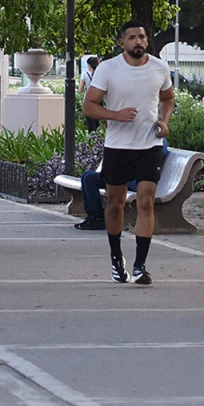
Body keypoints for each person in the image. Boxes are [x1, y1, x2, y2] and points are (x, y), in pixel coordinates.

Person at [81, 21, 175, 285]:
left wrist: (165, 120)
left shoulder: (159, 67)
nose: (138, 41)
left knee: (146, 202)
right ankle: (116, 258)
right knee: (115, 205)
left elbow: (168, 97)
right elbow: (89, 106)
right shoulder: (109, 69)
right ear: (122, 42)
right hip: (118, 147)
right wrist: (115, 116)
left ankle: (140, 266)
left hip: (150, 146)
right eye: (132, 37)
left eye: (142, 37)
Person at [73, 139, 169, 231]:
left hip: (136, 180)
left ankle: (97, 218)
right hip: (123, 174)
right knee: (87, 176)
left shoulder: (158, 141)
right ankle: (93, 216)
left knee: (90, 179)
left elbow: (153, 159)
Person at [81, 56, 101, 133]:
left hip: (88, 100)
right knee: (97, 123)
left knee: (90, 124)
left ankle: (91, 139)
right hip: (99, 100)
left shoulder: (85, 75)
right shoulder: (100, 74)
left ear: (89, 65)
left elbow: (80, 89)